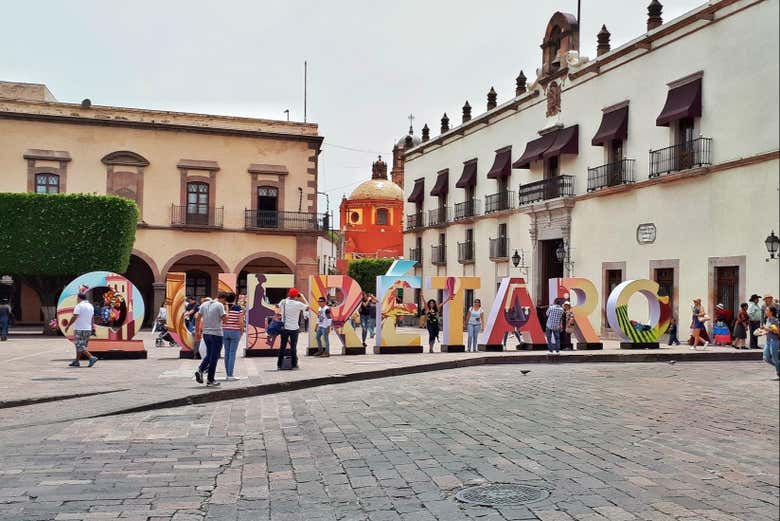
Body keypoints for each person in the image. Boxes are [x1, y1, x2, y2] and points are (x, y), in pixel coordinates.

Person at [194, 292, 227, 387]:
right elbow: (225, 320)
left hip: (206, 333)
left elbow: (197, 317)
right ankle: (209, 378)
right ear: (223, 299)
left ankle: (201, 371)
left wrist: (197, 332)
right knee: (214, 357)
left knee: (209, 354)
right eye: (225, 301)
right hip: (216, 334)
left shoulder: (204, 304)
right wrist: (226, 310)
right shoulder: (220, 305)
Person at [63, 292, 98, 368]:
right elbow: (92, 318)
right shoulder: (90, 306)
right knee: (82, 346)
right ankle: (76, 361)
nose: (76, 299)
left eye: (77, 298)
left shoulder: (79, 306)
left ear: (79, 298)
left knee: (79, 345)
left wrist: (68, 325)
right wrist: (92, 327)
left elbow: (75, 316)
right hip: (87, 329)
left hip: (79, 329)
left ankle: (91, 357)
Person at [278, 288, 309, 370]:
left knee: (282, 346)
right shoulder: (298, 304)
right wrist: (302, 297)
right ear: (296, 296)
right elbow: (308, 307)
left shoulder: (283, 302)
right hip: (294, 328)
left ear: (289, 294)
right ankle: (294, 364)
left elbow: (277, 307)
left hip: (284, 327)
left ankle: (279, 364)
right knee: (293, 347)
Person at [222, 292, 244, 380]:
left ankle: (228, 373)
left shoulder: (223, 307)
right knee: (232, 353)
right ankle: (230, 375)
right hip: (235, 331)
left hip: (224, 331)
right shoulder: (238, 308)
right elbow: (241, 321)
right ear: (235, 299)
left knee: (226, 353)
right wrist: (242, 331)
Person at [759, 306, 779, 377]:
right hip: (768, 341)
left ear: (771, 312)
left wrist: (767, 328)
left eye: (767, 310)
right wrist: (762, 332)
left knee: (775, 358)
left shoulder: (775, 320)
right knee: (766, 358)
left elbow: (777, 331)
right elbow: (768, 330)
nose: (765, 311)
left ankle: (778, 372)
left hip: (774, 341)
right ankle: (778, 368)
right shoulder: (767, 319)